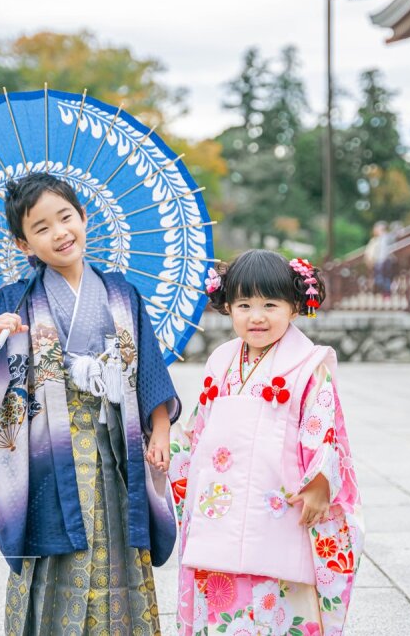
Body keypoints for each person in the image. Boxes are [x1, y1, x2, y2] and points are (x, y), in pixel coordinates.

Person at [0, 172, 179, 634]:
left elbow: (149, 366)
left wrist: (160, 430)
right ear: (23, 244)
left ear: (84, 217)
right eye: (41, 228)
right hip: (50, 454)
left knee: (119, 543)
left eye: (65, 218)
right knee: (54, 545)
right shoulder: (16, 300)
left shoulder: (121, 293)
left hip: (116, 447)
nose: (59, 233)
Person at [168, 250, 363, 635]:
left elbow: (323, 427)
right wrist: (171, 449)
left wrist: (319, 484)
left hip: (279, 500)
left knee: (278, 585)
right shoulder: (221, 361)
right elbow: (200, 428)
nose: (256, 316)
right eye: (244, 305)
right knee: (220, 581)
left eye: (270, 304)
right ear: (227, 307)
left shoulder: (308, 365)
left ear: (295, 307)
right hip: (221, 499)